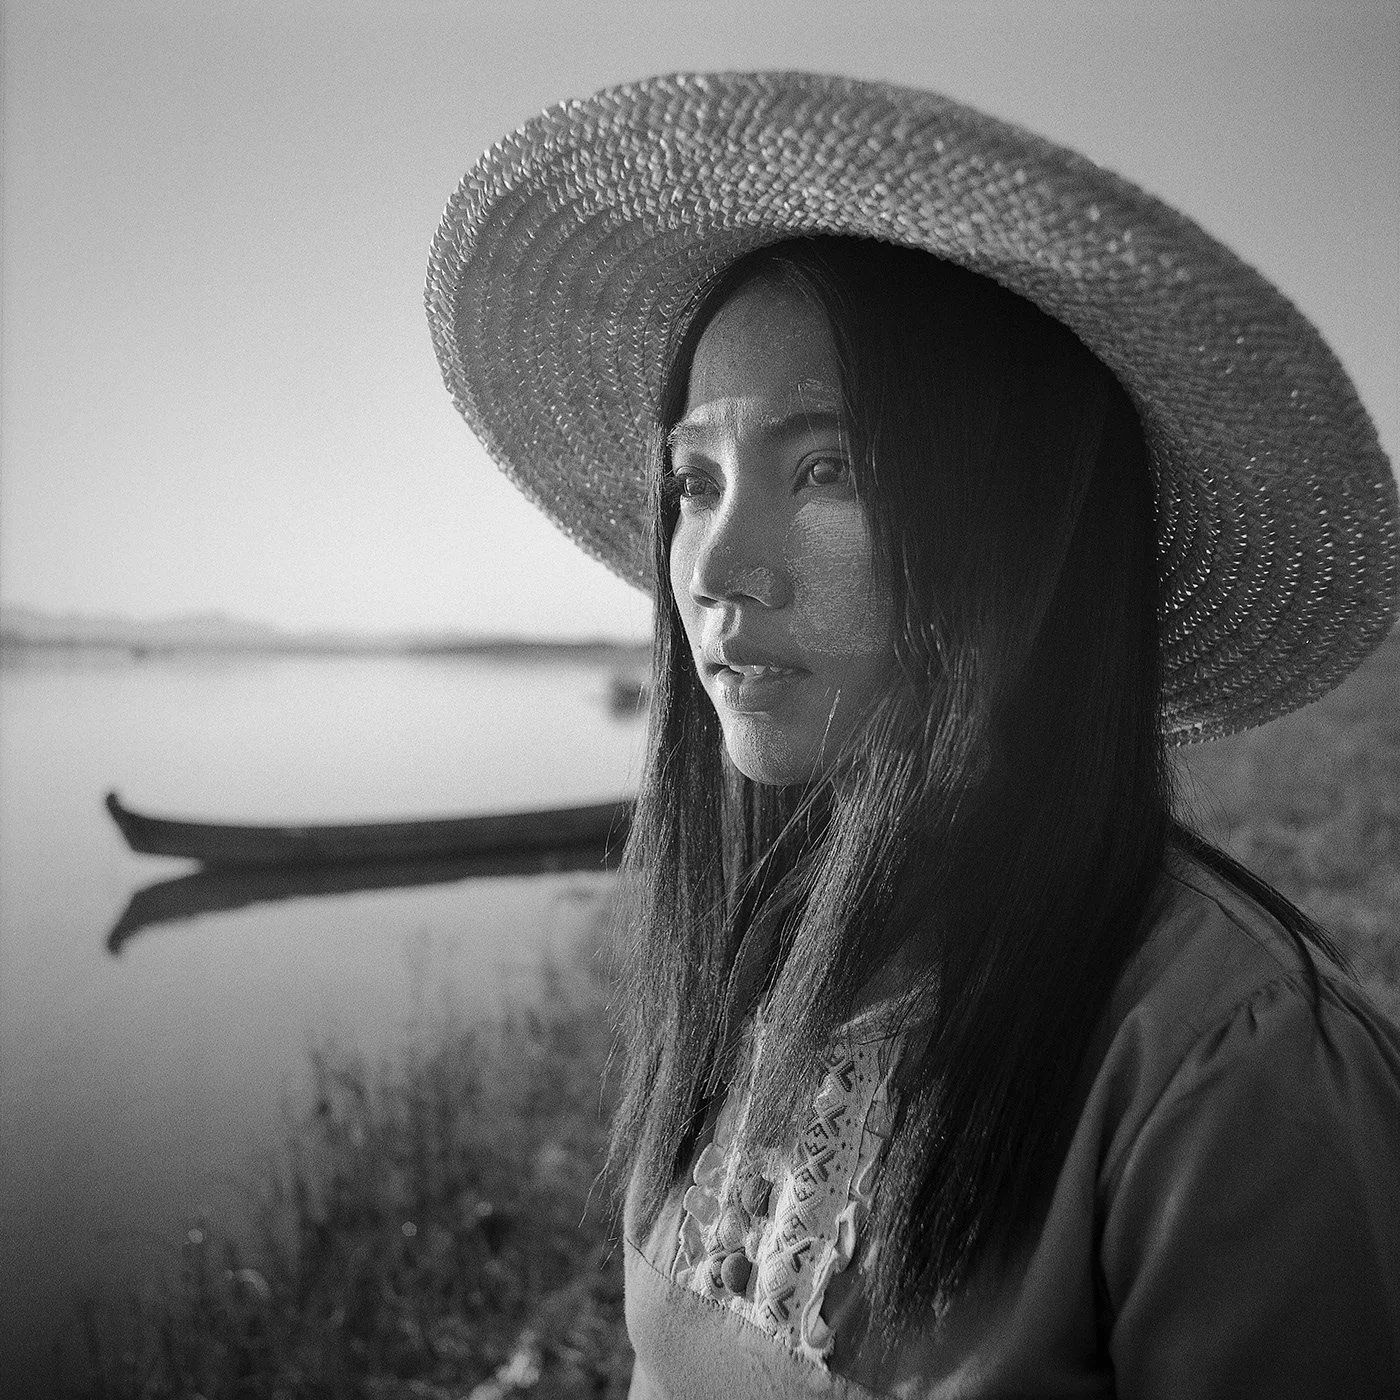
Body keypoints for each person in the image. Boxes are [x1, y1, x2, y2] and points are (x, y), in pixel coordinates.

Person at [427, 72, 1400, 1398]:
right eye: (694, 481)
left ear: (1019, 530)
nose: (718, 565)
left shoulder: (1237, 1074)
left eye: (829, 469)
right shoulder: (762, 932)